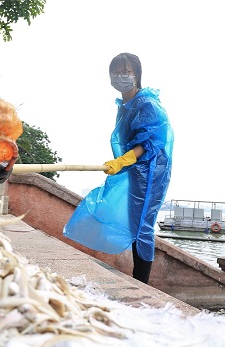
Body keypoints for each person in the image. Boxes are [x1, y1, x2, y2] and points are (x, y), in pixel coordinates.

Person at [63, 52, 174, 284]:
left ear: (137, 74)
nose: (120, 76)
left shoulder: (147, 104)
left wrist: (122, 161)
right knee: (136, 223)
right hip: (136, 170)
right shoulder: (125, 105)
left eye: (126, 71)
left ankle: (141, 282)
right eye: (115, 72)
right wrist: (122, 161)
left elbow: (149, 142)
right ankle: (138, 279)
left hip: (150, 171)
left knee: (142, 225)